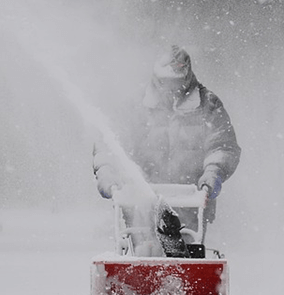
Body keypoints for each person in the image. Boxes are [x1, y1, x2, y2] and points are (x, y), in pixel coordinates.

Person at [93, 45, 241, 253]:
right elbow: (111, 143)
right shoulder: (136, 106)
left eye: (178, 82)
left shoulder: (208, 105)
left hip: (191, 201)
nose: (173, 89)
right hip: (139, 201)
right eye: (167, 82)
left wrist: (212, 175)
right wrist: (107, 172)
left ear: (187, 77)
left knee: (185, 255)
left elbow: (222, 145)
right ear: (156, 77)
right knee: (143, 253)